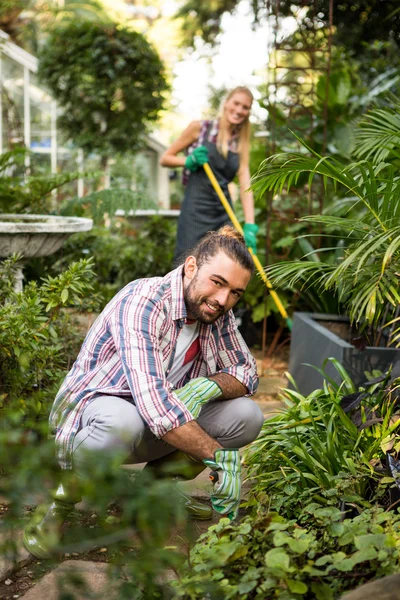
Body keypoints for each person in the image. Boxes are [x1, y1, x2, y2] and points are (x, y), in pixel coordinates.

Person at [23, 226, 264, 559]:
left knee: (246, 416)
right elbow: (153, 404)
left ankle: (149, 491)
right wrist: (217, 456)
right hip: (97, 422)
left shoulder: (214, 312)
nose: (224, 300)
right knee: (125, 421)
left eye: (236, 292)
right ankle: (59, 505)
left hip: (158, 422)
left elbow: (248, 371)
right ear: (191, 267)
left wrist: (209, 385)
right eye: (218, 282)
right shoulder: (144, 301)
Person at [160, 86, 259, 264]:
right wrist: (188, 160)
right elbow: (165, 158)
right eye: (236, 103)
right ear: (227, 102)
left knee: (224, 263)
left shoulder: (240, 142)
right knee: (188, 262)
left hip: (223, 210)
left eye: (245, 107)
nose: (239, 110)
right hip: (195, 210)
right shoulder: (200, 128)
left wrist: (250, 225)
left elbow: (246, 185)